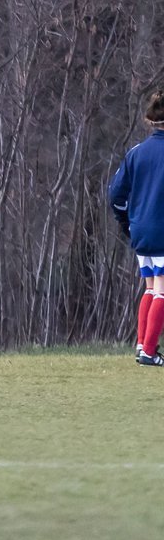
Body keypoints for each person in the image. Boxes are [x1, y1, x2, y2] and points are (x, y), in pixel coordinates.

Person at [108, 90, 164, 367]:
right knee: (162, 291)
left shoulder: (136, 152)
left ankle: (142, 344)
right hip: (161, 230)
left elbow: (116, 196)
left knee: (151, 288)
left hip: (140, 231)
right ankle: (149, 353)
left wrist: (127, 224)